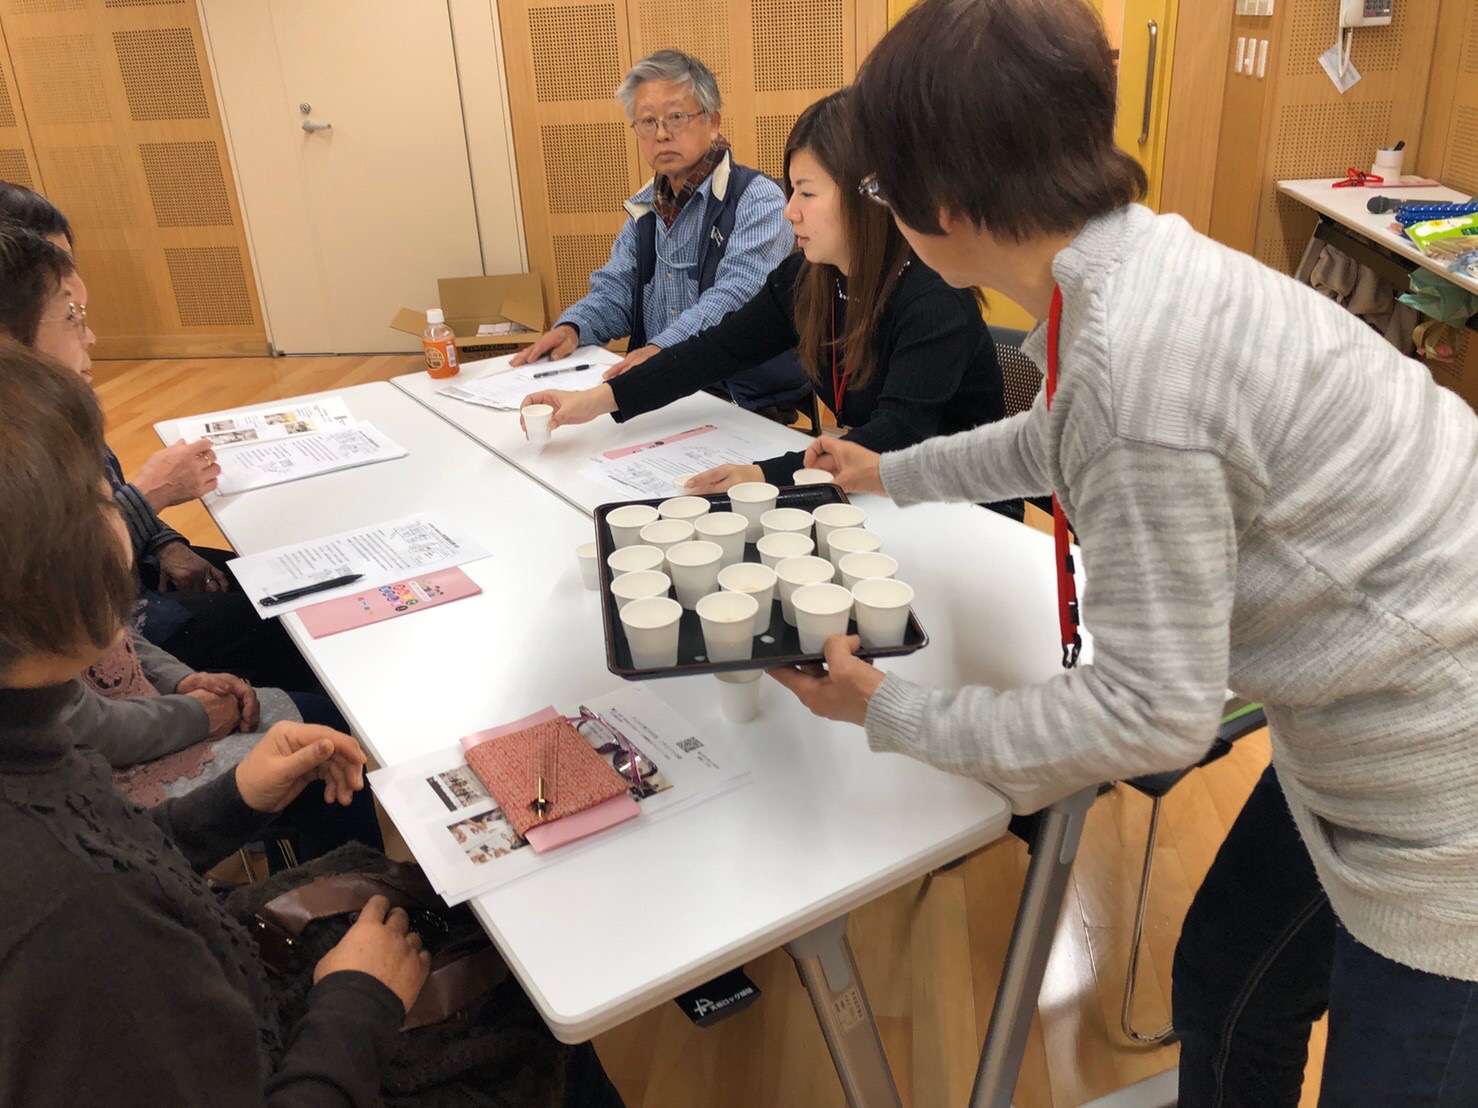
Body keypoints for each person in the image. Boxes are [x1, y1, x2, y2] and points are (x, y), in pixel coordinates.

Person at [771, 0, 1478, 1104]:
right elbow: (1061, 432)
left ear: (938, 202)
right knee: (1228, 985)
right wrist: (886, 469)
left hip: (1441, 788)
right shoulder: (1127, 261)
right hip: (1366, 716)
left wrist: (887, 710)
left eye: (873, 185)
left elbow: (1151, 716)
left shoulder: (1136, 361)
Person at [0, 340, 424, 1103]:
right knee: (533, 1023)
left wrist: (235, 799)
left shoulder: (34, 743)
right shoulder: (73, 919)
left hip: (226, 968)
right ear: (45, 563)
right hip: (305, 1043)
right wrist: (357, 1000)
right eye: (102, 501)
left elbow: (120, 849)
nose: (124, 520)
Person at [521, 90, 1006, 492]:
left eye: (807, 193)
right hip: (875, 488)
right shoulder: (810, 278)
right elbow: (713, 351)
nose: (790, 210)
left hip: (963, 505)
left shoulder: (934, 295)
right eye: (791, 191)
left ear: (868, 197)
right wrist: (592, 401)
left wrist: (763, 476)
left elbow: (897, 434)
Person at [0, 207, 321, 693]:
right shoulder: (23, 451)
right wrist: (151, 495)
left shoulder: (55, 410)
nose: (89, 333)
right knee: (291, 622)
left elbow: (110, 503)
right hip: (125, 630)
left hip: (135, 608)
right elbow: (66, 579)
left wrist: (165, 542)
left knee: (288, 577)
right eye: (70, 312)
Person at [509, 50, 810, 420]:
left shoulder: (757, 198)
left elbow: (734, 299)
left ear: (713, 122)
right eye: (648, 122)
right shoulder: (645, 208)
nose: (662, 134)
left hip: (739, 400)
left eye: (676, 117)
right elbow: (616, 291)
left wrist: (660, 352)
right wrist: (574, 326)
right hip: (658, 393)